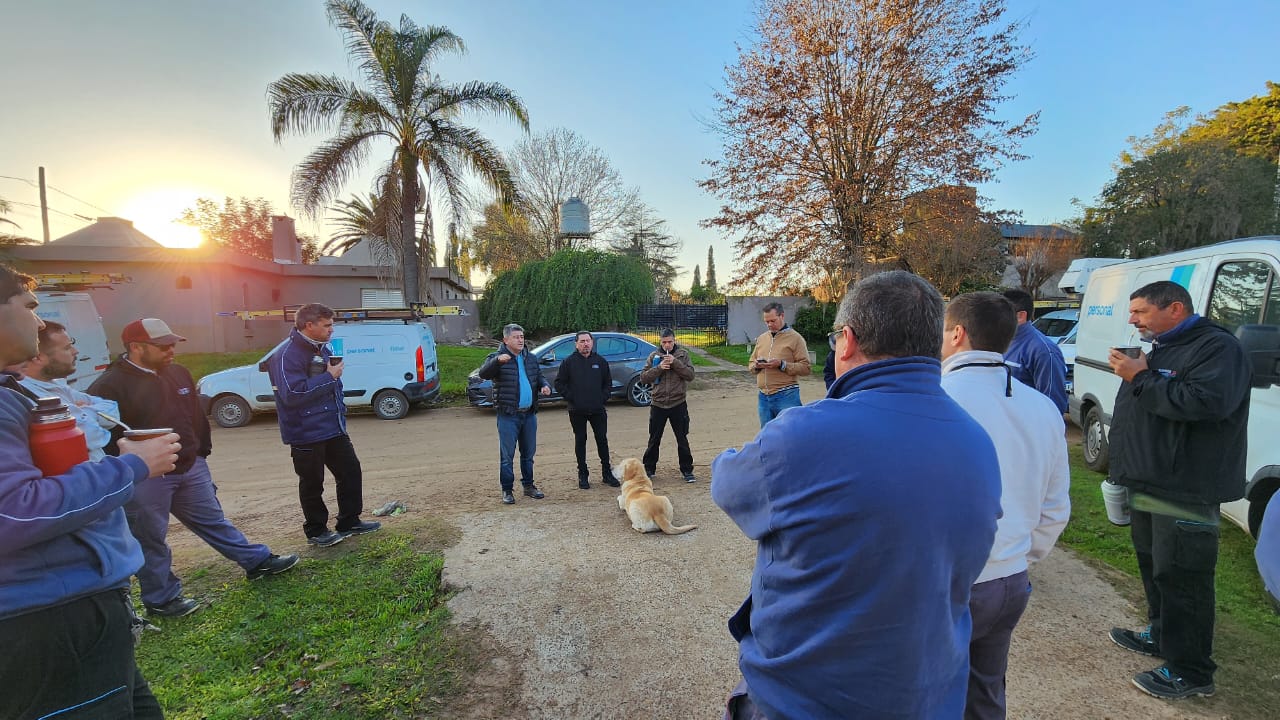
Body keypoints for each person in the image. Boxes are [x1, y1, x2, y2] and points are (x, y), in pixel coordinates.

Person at [712, 271, 1002, 720]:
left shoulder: (805, 434)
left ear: (846, 341)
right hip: (927, 697)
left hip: (805, 699)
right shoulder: (978, 441)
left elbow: (727, 482)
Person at [1, 264, 179, 719]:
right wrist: (131, 467)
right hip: (47, 619)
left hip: (77, 610)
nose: (39, 323)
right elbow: (13, 512)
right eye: (30, 308)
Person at [91, 318, 299, 618]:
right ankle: (161, 598)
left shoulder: (177, 372)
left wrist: (200, 452)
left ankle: (256, 562)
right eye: (163, 346)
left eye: (173, 343)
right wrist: (130, 470)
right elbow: (102, 438)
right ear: (136, 347)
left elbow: (195, 417)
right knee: (150, 539)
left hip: (190, 466)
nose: (171, 350)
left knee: (213, 520)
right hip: (147, 478)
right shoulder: (108, 386)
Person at [1105, 281, 1251, 700]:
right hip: (1151, 480)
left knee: (1184, 576)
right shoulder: (1163, 348)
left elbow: (1205, 403)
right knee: (1155, 565)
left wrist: (1141, 377)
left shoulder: (1217, 349)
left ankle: (1191, 670)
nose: (1132, 320)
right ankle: (1162, 635)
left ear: (1174, 308)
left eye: (1140, 312)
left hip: (1186, 485)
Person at [940, 292, 1071, 720]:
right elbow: (1055, 508)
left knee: (928, 693)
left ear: (956, 333)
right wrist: (1016, 556)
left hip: (949, 583)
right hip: (1011, 581)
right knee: (987, 691)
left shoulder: (934, 399)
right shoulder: (1043, 408)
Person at [266, 303, 381, 547]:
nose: (332, 330)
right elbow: (293, 394)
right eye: (327, 325)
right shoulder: (287, 355)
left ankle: (349, 521)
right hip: (305, 432)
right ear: (309, 325)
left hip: (332, 427)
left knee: (350, 471)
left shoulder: (323, 349)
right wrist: (329, 377)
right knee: (312, 482)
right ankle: (317, 530)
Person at [10, 320, 119, 461]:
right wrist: (88, 412)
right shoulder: (28, 395)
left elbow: (113, 409)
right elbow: (94, 436)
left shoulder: (56, 385)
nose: (75, 351)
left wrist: (82, 414)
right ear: (37, 357)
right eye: (67, 348)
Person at [477, 323, 552, 504]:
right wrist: (496, 361)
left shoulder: (530, 358)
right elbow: (483, 373)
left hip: (528, 415)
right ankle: (507, 490)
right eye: (516, 337)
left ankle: (528, 486)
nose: (520, 340)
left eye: (522, 337)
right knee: (507, 456)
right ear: (506, 340)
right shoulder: (497, 357)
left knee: (528, 454)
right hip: (508, 415)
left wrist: (544, 385)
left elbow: (538, 375)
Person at [555, 331, 620, 489]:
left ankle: (607, 473)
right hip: (577, 410)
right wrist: (572, 397)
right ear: (576, 344)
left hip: (598, 409)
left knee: (602, 440)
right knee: (580, 441)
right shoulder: (569, 362)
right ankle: (583, 474)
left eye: (588, 341)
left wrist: (602, 398)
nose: (585, 344)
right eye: (582, 341)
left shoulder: (600, 361)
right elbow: (559, 383)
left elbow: (608, 383)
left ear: (592, 343)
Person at [638, 328, 696, 482]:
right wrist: (659, 368)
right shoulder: (654, 356)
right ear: (660, 342)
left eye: (670, 342)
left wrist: (675, 363)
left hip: (678, 403)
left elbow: (690, 376)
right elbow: (643, 378)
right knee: (654, 439)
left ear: (674, 341)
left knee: (682, 439)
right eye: (664, 342)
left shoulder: (683, 355)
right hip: (658, 404)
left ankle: (687, 470)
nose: (667, 345)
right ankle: (648, 469)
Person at [1000, 289, 1068, 413]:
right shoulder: (998, 341)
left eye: (1001, 313)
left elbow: (1053, 405)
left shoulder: (1044, 351)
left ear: (1020, 316)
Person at [748, 301, 811, 427]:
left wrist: (782, 364)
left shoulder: (796, 338)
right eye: (766, 322)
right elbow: (750, 363)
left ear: (782, 316)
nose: (769, 325)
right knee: (767, 437)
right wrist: (756, 366)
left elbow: (806, 368)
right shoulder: (762, 338)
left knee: (791, 434)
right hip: (763, 397)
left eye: (773, 321)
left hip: (786, 396)